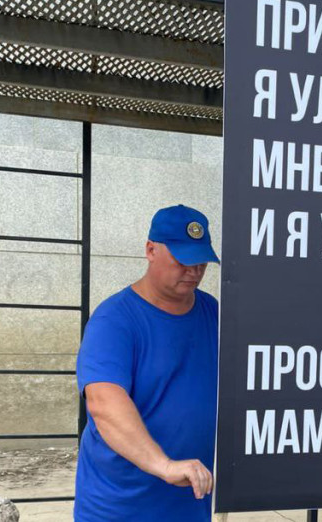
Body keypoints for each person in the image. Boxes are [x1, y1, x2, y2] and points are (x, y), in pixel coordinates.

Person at [74, 204, 220, 521]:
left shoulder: (214, 313)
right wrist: (164, 465)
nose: (194, 270)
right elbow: (104, 403)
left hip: (189, 503)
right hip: (120, 508)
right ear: (151, 250)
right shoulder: (115, 319)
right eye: (183, 259)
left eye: (201, 261)